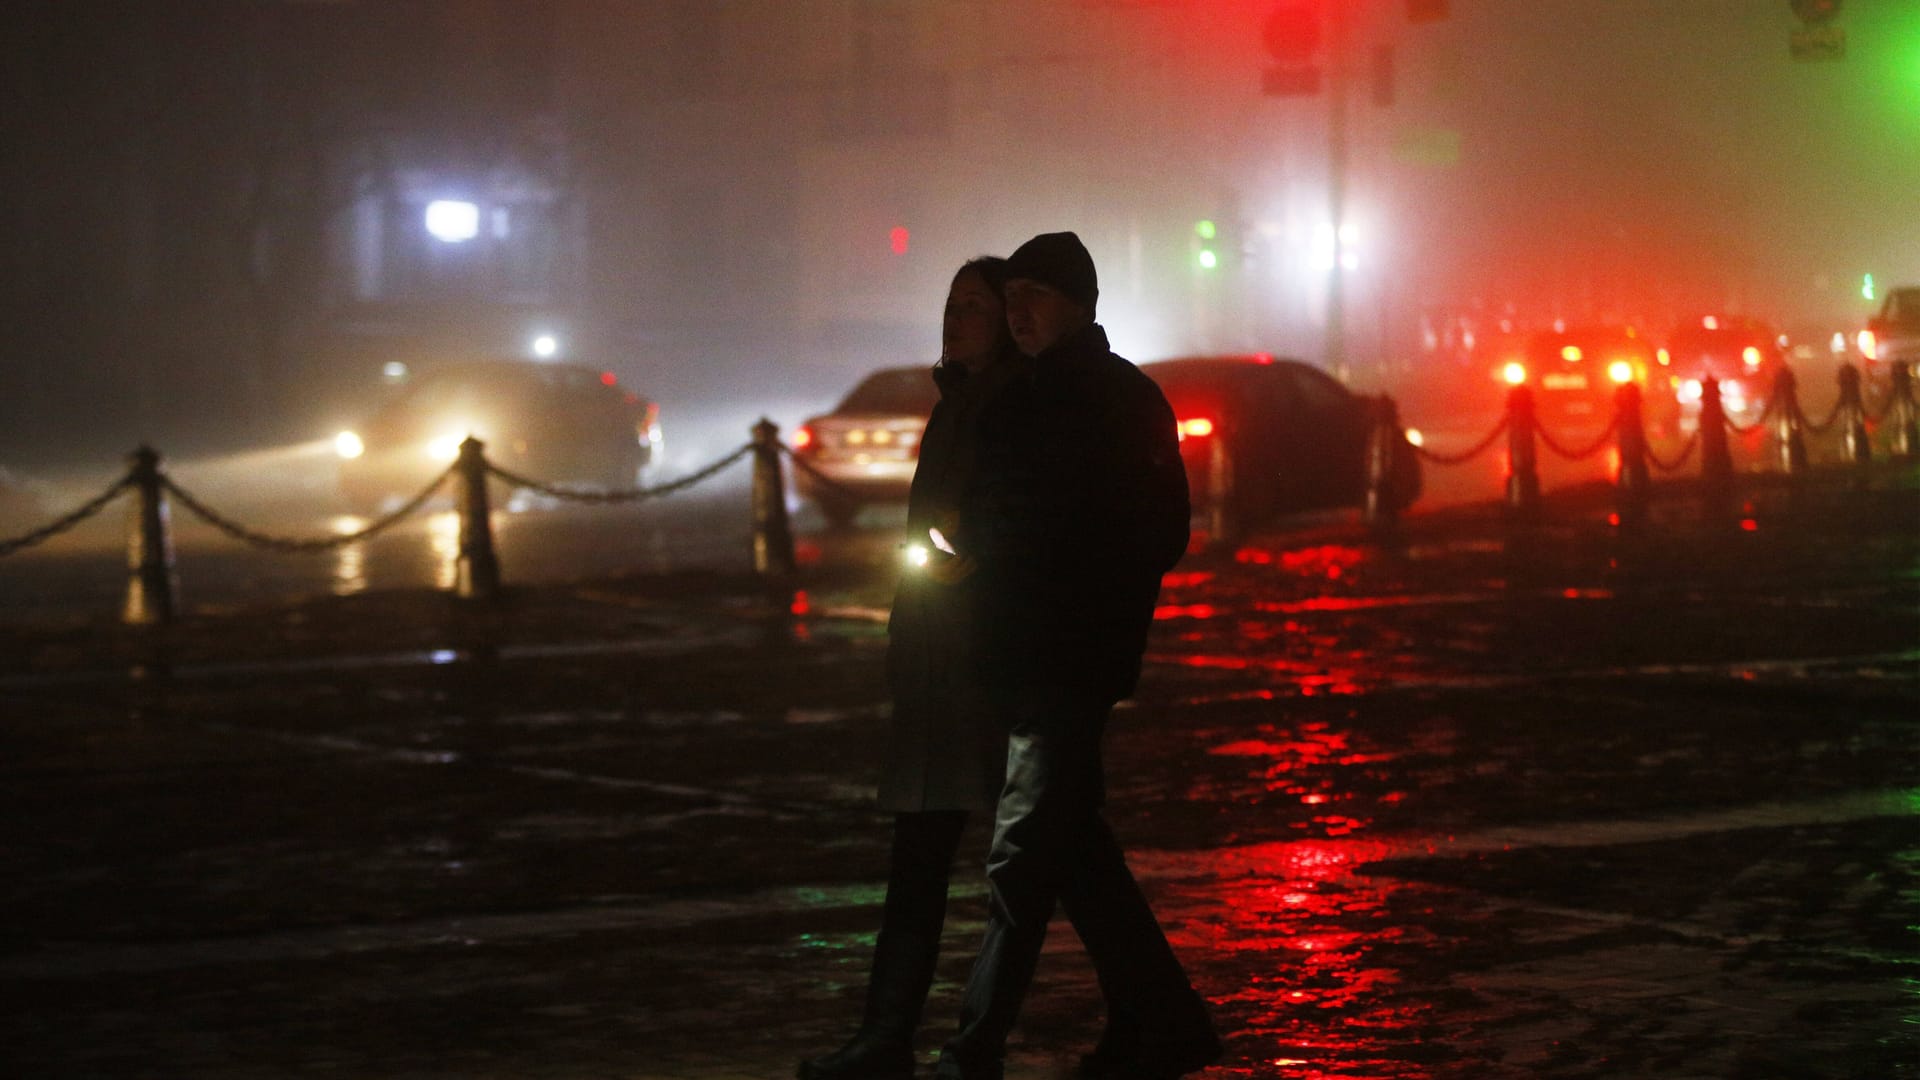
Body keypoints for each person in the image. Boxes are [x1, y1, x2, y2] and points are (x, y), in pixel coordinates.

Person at [935, 232, 1220, 1080]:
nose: (1018, 313)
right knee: (1073, 852)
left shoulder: (1114, 398)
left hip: (1063, 655)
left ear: (1079, 303)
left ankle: (971, 1049)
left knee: (1023, 861)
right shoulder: (1031, 395)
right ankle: (1163, 1022)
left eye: (1037, 296)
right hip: (1022, 651)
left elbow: (1151, 529)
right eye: (1011, 296)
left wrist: (1018, 559)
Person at [798, 256, 1023, 1080]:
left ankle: (927, 1039)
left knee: (1045, 864)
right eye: (949, 303)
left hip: (984, 664)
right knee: (925, 859)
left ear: (1011, 321)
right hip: (937, 660)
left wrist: (973, 556)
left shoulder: (1005, 411)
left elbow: (1009, 526)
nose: (953, 317)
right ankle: (887, 1035)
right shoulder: (957, 406)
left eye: (973, 306)